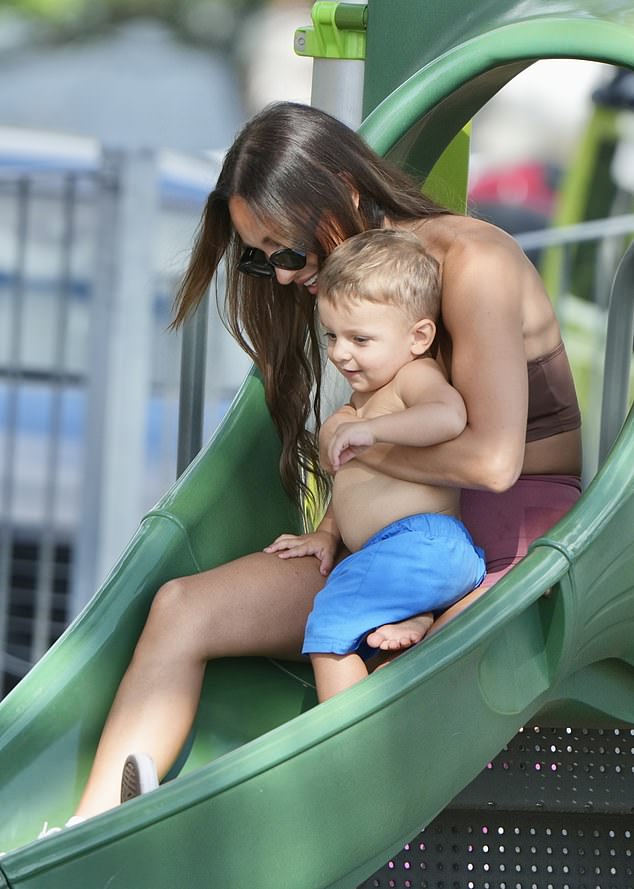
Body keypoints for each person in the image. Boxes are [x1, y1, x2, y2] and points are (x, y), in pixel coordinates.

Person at [41, 100, 582, 826]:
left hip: (508, 531)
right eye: (261, 259)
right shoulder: (356, 300)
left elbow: (490, 460)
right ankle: (90, 831)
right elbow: (374, 430)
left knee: (402, 671)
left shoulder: (469, 262)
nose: (286, 276)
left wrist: (361, 449)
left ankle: (327, 819)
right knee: (181, 607)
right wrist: (332, 522)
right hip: (391, 534)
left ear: (342, 190)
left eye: (287, 250)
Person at [264, 228, 486, 700]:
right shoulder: (366, 396)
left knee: (329, 621)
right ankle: (417, 613)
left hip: (420, 542)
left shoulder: (413, 376)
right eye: (332, 336)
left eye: (360, 339)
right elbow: (350, 483)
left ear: (418, 337)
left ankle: (338, 746)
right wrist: (327, 532)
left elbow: (449, 415)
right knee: (364, 622)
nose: (341, 352)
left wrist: (374, 430)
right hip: (409, 560)